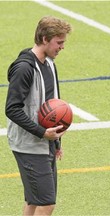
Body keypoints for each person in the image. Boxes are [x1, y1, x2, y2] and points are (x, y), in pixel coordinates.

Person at [5, 16, 72, 215]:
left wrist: (56, 141)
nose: (62, 47)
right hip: (29, 146)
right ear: (44, 39)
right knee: (46, 203)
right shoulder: (24, 68)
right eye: (59, 42)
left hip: (45, 143)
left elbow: (53, 105)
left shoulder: (50, 64)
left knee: (33, 201)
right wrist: (42, 132)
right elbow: (12, 108)